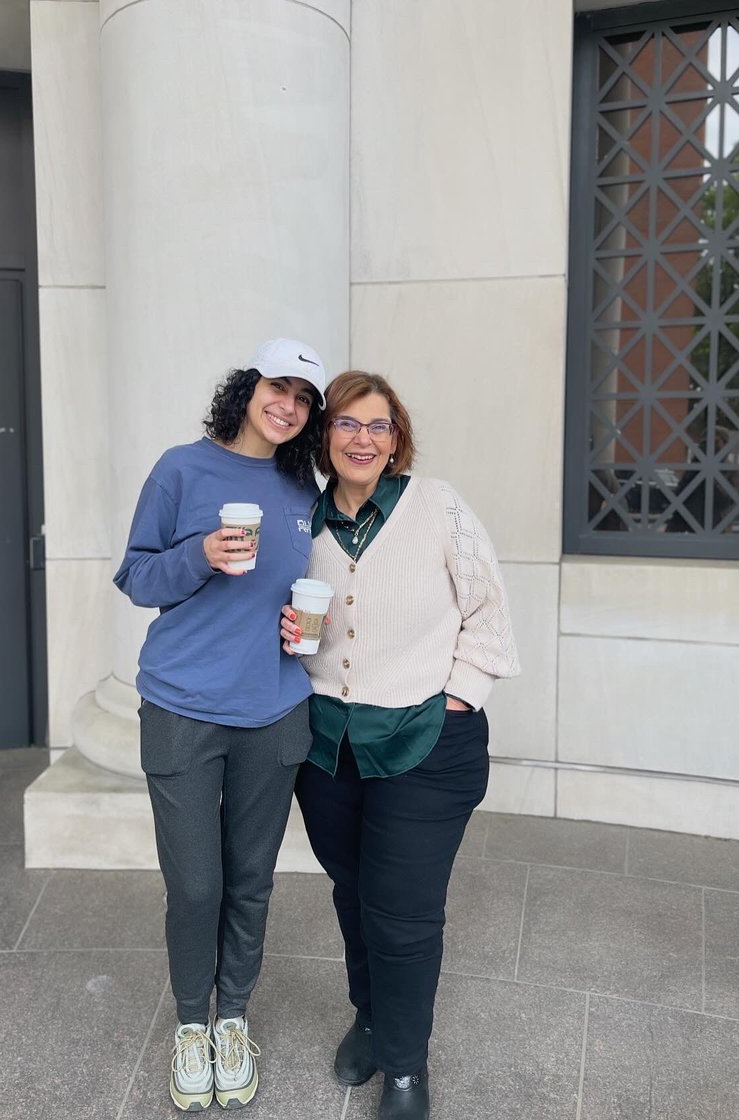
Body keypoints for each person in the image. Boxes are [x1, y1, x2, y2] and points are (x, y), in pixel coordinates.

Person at [280, 371, 520, 1120]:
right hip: (328, 748)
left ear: (396, 440)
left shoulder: (437, 506)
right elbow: (280, 618)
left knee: (403, 911)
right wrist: (288, 634)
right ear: (324, 438)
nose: (361, 438)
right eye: (347, 424)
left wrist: (459, 696)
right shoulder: (300, 522)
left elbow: (488, 611)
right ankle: (373, 1016)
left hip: (426, 740)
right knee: (353, 893)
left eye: (377, 426)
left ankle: (407, 1070)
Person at [114, 338, 326, 1113]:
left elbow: (319, 584)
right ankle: (188, 1025)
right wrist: (200, 553)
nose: (289, 405)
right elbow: (136, 576)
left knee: (250, 883)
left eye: (305, 398)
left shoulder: (305, 484)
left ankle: (232, 1019)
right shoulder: (180, 468)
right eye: (279, 386)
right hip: (180, 705)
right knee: (196, 884)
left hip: (274, 710)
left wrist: (305, 630)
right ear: (247, 387)